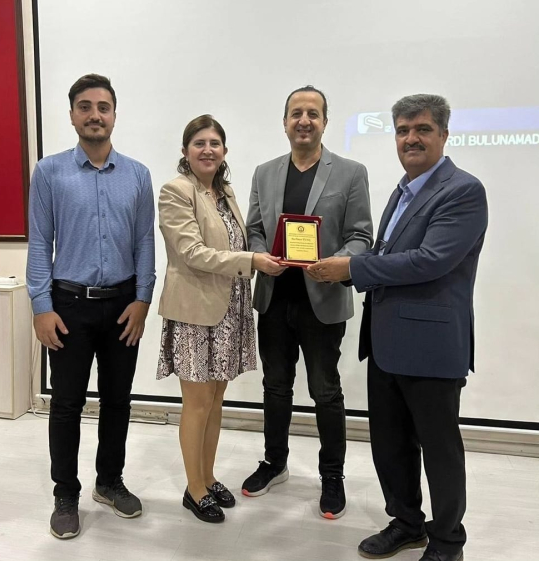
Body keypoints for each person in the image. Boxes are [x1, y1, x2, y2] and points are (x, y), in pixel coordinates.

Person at [308, 94, 488, 561]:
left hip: (431, 346)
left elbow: (430, 261)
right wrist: (340, 262)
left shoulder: (463, 190)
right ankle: (407, 523)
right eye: (403, 130)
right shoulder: (403, 190)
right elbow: (386, 253)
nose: (411, 139)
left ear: (443, 134)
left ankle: (447, 542)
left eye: (422, 129)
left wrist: (351, 268)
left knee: (439, 449)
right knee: (391, 445)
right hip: (387, 343)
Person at [26, 74, 155, 539]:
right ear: (72, 115)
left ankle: (109, 482)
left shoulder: (138, 175)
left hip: (122, 305)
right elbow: (39, 242)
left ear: (114, 115)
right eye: (85, 106)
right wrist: (41, 305)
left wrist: (143, 298)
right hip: (68, 307)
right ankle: (66, 494)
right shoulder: (49, 172)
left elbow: (144, 242)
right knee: (66, 405)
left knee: (118, 401)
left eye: (103, 107)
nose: (95, 115)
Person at [243, 86, 373, 519]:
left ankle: (332, 476)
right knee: (275, 387)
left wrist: (339, 263)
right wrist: (261, 256)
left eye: (313, 114)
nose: (304, 120)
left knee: (325, 391)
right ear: (284, 123)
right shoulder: (264, 173)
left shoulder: (351, 173)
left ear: (324, 123)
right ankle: (274, 462)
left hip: (323, 302)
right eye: (296, 113)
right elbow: (254, 228)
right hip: (274, 299)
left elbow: (361, 235)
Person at [157, 114, 282, 523]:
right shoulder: (176, 191)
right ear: (185, 151)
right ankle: (193, 489)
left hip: (229, 310)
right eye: (199, 143)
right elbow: (191, 252)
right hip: (195, 313)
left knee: (214, 402)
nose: (208, 150)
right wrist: (252, 260)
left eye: (214, 143)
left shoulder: (224, 192)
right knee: (196, 405)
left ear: (224, 151)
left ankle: (208, 477)